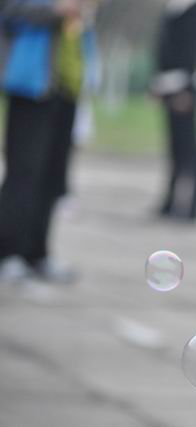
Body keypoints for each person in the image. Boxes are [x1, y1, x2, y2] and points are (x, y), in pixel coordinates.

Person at [0, 0, 99, 284]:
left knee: (53, 175)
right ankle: (7, 253)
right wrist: (55, 10)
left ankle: (37, 253)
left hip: (68, 87)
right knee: (24, 172)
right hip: (32, 86)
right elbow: (9, 11)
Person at [150, 0, 196, 222]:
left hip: (184, 89)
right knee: (175, 148)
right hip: (169, 87)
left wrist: (183, 90)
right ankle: (170, 202)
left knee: (190, 150)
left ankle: (192, 206)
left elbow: (191, 53)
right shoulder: (175, 7)